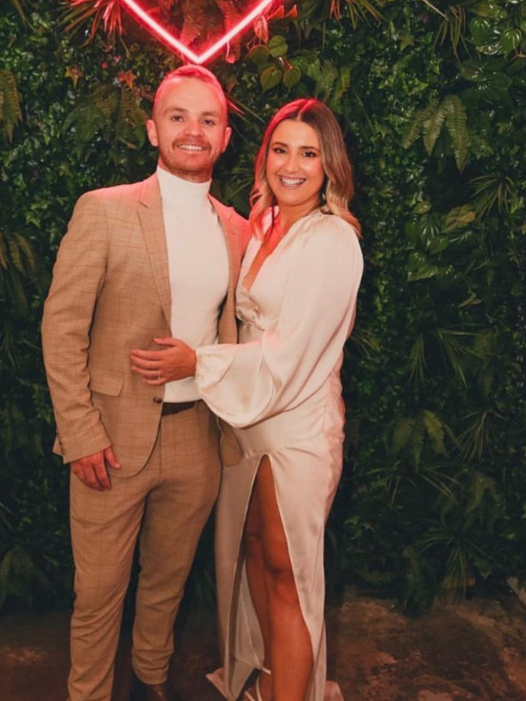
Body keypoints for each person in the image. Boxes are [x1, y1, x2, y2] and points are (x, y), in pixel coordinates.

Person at [131, 99, 363, 701]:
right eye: (280, 150)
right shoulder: (259, 227)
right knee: (255, 555)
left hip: (298, 425)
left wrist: (196, 362)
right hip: (248, 421)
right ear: (263, 159)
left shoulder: (333, 240)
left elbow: (290, 355)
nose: (292, 165)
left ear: (329, 166)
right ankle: (265, 679)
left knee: (290, 576)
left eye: (308, 153)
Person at [41, 64, 250, 701]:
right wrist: (80, 434)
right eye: (178, 117)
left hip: (197, 439)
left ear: (225, 136)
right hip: (111, 440)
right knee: (99, 595)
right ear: (152, 130)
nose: (194, 130)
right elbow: (62, 327)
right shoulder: (104, 211)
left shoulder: (237, 229)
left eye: (207, 119)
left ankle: (150, 684)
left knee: (166, 586)